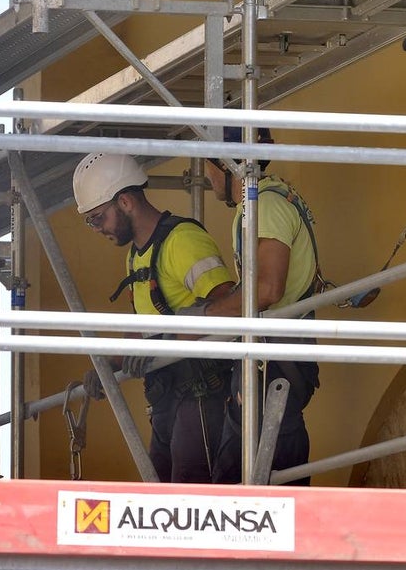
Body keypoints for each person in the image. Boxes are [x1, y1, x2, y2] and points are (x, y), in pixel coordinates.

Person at [72, 151, 236, 484]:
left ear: (126, 202)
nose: (95, 229)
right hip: (166, 398)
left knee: (188, 503)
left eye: (98, 218)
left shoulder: (182, 241)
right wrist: (109, 366)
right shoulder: (136, 256)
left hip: (201, 395)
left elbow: (228, 305)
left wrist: (162, 343)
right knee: (159, 497)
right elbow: (143, 334)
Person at [195, 128, 321, 486]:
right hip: (276, 360)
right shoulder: (268, 201)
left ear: (224, 162)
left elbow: (266, 289)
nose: (206, 176)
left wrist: (202, 319)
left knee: (252, 482)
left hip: (273, 365)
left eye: (208, 164)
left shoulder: (264, 205)